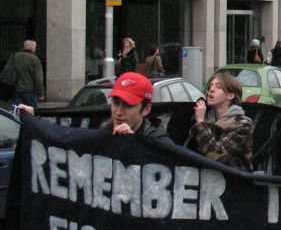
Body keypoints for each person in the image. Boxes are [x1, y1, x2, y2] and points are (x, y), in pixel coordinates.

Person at [17, 71, 173, 142]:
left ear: (146, 109)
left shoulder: (160, 142)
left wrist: (135, 144)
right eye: (116, 103)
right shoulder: (102, 131)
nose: (119, 112)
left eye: (128, 105)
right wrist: (36, 114)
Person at [186, 72, 254, 171]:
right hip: (205, 177)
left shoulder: (243, 124)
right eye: (210, 86)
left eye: (218, 87)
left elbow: (215, 155)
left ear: (230, 95)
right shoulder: (206, 118)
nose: (211, 90)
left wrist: (200, 122)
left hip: (233, 178)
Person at [4, 39, 44, 108]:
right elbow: (38, 78)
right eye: (35, 47)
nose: (35, 49)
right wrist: (40, 93)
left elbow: (7, 71)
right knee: (30, 111)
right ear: (31, 47)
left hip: (16, 90)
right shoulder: (35, 59)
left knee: (16, 110)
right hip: (29, 91)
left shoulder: (14, 56)